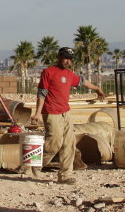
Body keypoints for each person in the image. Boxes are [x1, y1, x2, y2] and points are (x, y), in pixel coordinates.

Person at [30, 47, 105, 184]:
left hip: (66, 113)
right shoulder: (48, 72)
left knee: (69, 143)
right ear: (59, 57)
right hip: (52, 112)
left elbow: (82, 81)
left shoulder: (70, 74)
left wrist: (97, 88)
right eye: (65, 58)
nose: (68, 61)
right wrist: (37, 113)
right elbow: (41, 93)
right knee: (54, 143)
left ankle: (65, 175)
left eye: (70, 59)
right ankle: (36, 163)